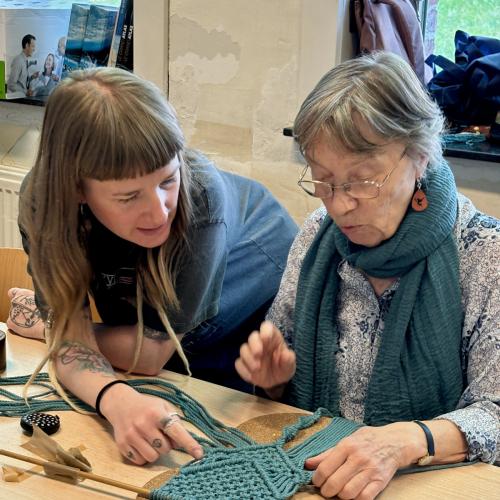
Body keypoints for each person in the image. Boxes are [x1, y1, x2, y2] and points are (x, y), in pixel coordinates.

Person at [235, 51, 499, 499]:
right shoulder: (317, 236)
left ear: (420, 157)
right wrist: (273, 376)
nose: (338, 205)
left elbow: (496, 412)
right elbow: (281, 383)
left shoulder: (485, 255)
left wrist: (407, 440)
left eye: (362, 180)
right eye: (323, 180)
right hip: (316, 476)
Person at [18, 67, 297, 465]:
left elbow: (149, 354)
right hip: (159, 338)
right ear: (76, 189)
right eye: (129, 196)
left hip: (243, 318)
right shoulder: (42, 201)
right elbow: (78, 349)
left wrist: (59, 328)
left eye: (168, 179)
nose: (159, 210)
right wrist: (112, 397)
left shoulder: (200, 197)